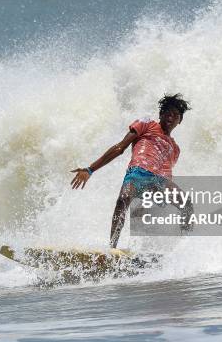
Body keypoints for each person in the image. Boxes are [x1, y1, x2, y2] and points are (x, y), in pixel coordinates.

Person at [71, 93, 192, 248]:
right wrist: (90, 169)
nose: (171, 117)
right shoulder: (146, 124)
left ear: (180, 121)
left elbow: (167, 172)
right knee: (123, 200)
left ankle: (185, 247)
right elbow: (120, 148)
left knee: (186, 203)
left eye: (176, 115)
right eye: (168, 113)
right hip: (138, 173)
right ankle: (112, 248)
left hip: (161, 182)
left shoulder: (175, 149)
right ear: (161, 114)